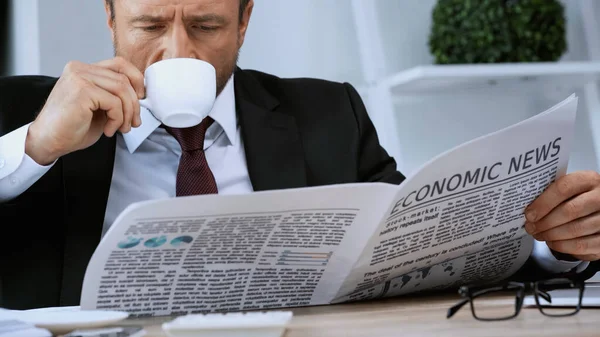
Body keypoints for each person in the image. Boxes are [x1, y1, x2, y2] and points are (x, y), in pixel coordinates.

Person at [0, 0, 598, 310]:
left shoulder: (328, 114)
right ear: (109, 18)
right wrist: (34, 148)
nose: (174, 50)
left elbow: (419, 250)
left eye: (206, 25)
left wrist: (551, 243)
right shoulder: (28, 113)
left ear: (244, 22)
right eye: (148, 24)